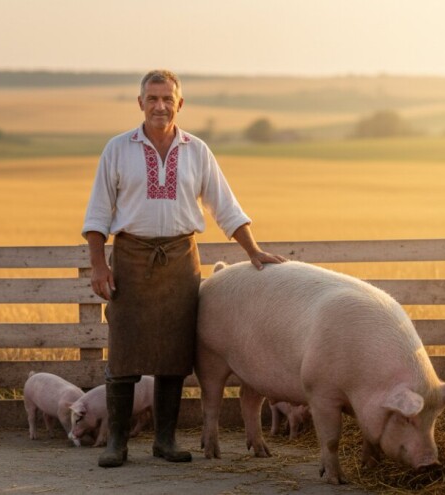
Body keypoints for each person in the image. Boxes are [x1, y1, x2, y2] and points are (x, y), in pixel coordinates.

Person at [81, 69, 285, 468]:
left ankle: (165, 441)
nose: (160, 106)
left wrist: (254, 251)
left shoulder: (197, 150)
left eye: (167, 99)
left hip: (180, 261)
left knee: (175, 353)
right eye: (152, 98)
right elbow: (98, 213)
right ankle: (117, 444)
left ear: (180, 103)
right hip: (130, 260)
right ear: (140, 103)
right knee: (123, 352)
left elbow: (225, 206)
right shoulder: (118, 149)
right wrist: (98, 266)